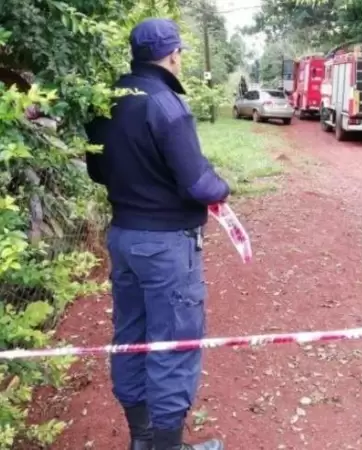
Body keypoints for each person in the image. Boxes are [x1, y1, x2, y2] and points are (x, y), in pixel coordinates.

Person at [84, 18, 229, 450]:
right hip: (166, 247)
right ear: (172, 55)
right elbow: (199, 185)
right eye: (180, 54)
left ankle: (142, 440)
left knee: (130, 337)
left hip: (124, 239)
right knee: (173, 345)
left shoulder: (105, 101)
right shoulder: (167, 104)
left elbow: (95, 169)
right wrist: (223, 187)